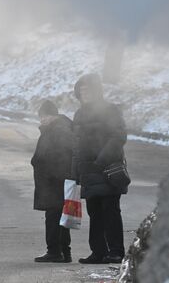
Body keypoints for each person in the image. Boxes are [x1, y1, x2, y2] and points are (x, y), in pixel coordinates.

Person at [72, 74, 128, 264]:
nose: (83, 93)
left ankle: (116, 251)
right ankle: (98, 251)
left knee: (110, 210)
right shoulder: (79, 114)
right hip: (87, 170)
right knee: (94, 212)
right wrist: (75, 172)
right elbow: (76, 144)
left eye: (87, 89)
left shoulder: (109, 110)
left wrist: (102, 159)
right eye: (81, 90)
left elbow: (119, 136)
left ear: (96, 91)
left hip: (107, 169)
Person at [31, 100, 73, 263]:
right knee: (60, 217)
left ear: (53, 115)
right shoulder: (58, 128)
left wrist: (52, 173)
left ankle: (55, 251)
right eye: (41, 117)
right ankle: (63, 252)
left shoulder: (58, 130)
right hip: (56, 180)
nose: (42, 120)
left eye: (45, 116)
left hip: (55, 181)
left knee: (54, 216)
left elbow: (60, 154)